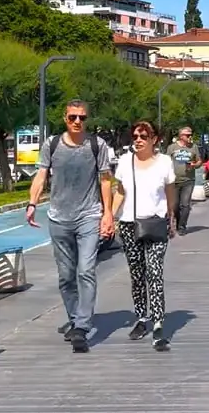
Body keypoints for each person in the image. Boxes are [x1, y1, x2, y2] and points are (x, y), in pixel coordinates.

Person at [27, 100, 114, 354]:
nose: (78, 122)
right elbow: (41, 176)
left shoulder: (97, 145)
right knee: (66, 276)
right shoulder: (51, 145)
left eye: (82, 118)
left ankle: (82, 325)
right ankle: (76, 317)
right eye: (73, 117)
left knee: (86, 270)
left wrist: (108, 214)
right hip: (58, 219)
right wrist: (32, 203)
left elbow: (106, 180)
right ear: (64, 118)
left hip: (88, 216)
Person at [111, 121, 176, 350]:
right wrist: (110, 215)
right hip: (129, 224)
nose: (138, 140)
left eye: (143, 136)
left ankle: (158, 321)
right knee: (137, 273)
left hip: (156, 224)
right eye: (135, 136)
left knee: (154, 271)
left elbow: (170, 190)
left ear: (154, 139)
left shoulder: (164, 163)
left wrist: (172, 215)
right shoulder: (125, 162)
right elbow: (120, 191)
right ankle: (141, 317)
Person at [165, 127, 200, 234]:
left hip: (188, 180)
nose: (190, 137)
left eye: (190, 135)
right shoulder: (172, 148)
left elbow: (199, 161)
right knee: (175, 205)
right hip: (174, 181)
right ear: (181, 136)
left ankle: (182, 227)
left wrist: (194, 165)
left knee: (185, 204)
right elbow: (165, 162)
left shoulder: (193, 147)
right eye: (187, 135)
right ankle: (178, 221)